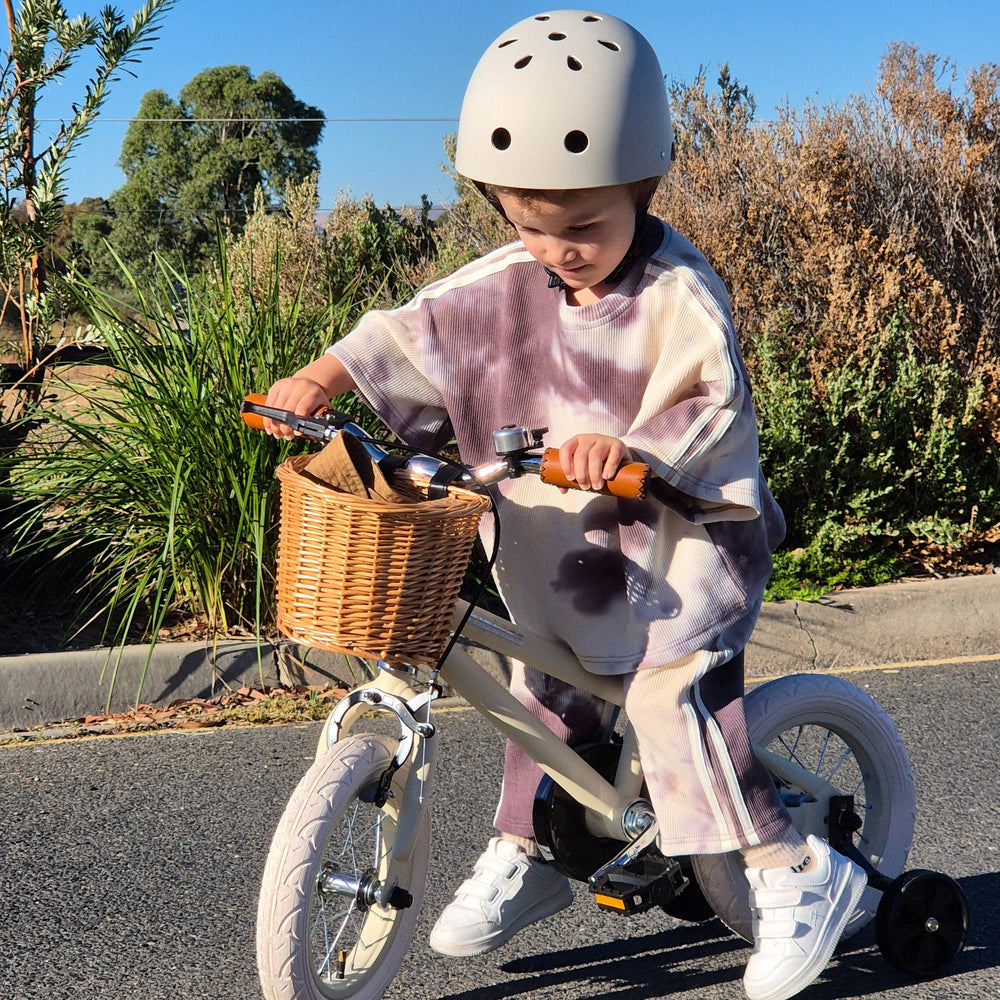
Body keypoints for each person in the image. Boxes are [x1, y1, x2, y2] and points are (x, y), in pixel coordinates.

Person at [264, 10, 866, 1000]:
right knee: (539, 684)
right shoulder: (513, 278)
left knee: (668, 696)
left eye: (583, 226)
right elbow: (415, 332)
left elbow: (709, 407)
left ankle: (790, 863)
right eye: (529, 224)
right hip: (564, 549)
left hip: (680, 549)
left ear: (643, 184)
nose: (557, 250)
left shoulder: (679, 295)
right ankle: (537, 848)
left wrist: (631, 449)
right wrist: (323, 378)